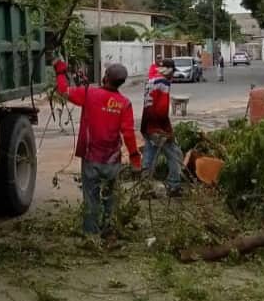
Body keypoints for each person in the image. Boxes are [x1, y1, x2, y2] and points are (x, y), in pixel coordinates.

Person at [53, 59, 141, 237]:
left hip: (91, 158)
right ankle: (108, 229)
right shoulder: (124, 103)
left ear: (105, 77)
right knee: (110, 198)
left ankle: (91, 234)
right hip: (112, 161)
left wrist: (60, 73)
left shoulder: (89, 94)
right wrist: (135, 159)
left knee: (91, 198)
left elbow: (63, 91)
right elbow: (129, 134)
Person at [140, 58, 184, 197]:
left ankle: (145, 185)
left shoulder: (151, 80)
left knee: (149, 156)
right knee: (175, 155)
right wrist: (167, 131)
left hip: (147, 124)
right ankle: (174, 185)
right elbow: (161, 110)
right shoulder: (163, 83)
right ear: (169, 70)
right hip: (158, 127)